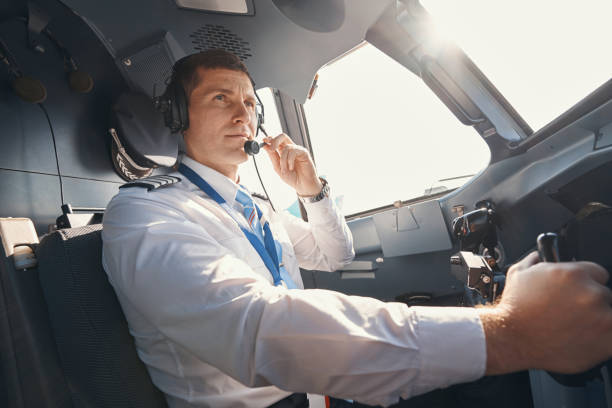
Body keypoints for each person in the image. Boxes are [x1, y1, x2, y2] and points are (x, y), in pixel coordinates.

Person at [102, 49, 612, 408]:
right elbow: (261, 328)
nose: (245, 115)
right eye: (221, 99)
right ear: (176, 115)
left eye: (251, 102)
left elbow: (335, 254)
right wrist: (511, 334)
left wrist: (310, 191)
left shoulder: (252, 207)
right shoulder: (147, 215)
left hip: (314, 391)